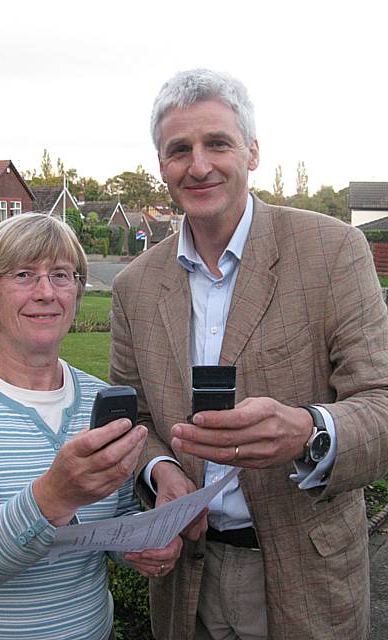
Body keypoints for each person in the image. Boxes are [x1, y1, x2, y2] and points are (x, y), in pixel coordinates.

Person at [110, 68, 388, 640]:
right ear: (161, 166)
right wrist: (161, 470)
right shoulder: (135, 285)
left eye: (218, 143)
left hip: (305, 574)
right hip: (187, 576)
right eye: (178, 149)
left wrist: (312, 432)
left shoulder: (332, 251)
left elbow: (382, 401)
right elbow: (133, 418)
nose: (199, 164)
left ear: (253, 151)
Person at [0, 213, 181, 640]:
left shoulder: (100, 399)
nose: (46, 293)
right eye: (23, 275)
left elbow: (113, 522)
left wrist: (145, 545)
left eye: (61, 275)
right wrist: (54, 495)